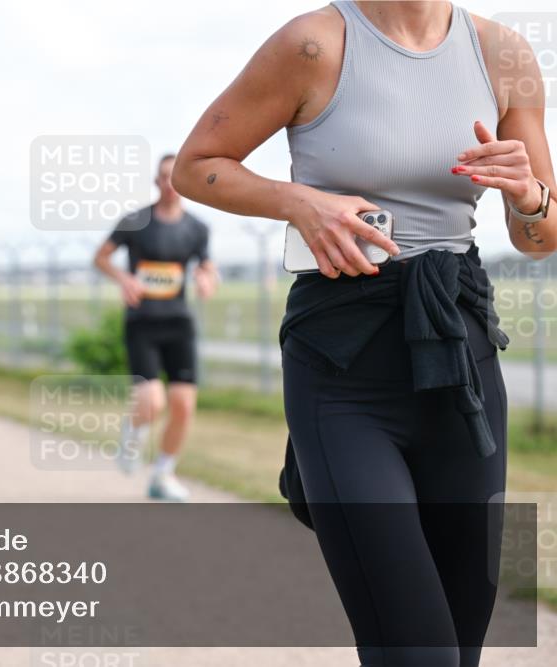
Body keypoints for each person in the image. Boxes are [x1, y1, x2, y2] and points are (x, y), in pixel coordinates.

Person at [172, 2, 555, 665]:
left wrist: (531, 197)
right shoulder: (314, 44)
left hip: (461, 359)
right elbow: (196, 164)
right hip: (342, 367)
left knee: (461, 647)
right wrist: (298, 201)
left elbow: (539, 239)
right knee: (417, 652)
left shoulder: (504, 54)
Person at [94, 153, 217, 502]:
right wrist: (124, 279)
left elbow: (207, 266)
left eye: (176, 177)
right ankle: (133, 432)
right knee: (152, 401)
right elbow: (100, 257)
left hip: (179, 323)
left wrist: (206, 279)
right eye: (164, 176)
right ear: (156, 181)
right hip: (142, 323)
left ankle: (162, 475)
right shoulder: (135, 221)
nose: (170, 184)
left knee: (183, 406)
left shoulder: (197, 228)